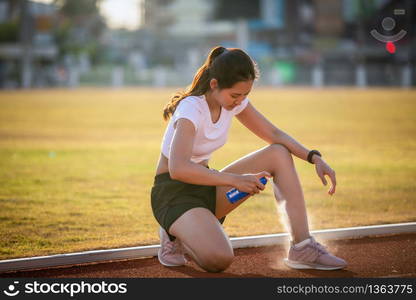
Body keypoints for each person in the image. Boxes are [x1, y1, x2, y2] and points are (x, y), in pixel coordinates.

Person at [150, 46, 347, 273]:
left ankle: (302, 247)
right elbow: (179, 169)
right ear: (214, 84)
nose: (240, 101)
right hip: (173, 195)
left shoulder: (233, 102)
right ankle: (173, 233)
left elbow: (274, 135)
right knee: (219, 259)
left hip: (206, 189)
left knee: (278, 153)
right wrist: (235, 180)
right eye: (235, 95)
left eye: (246, 95)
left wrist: (314, 158)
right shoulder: (191, 109)